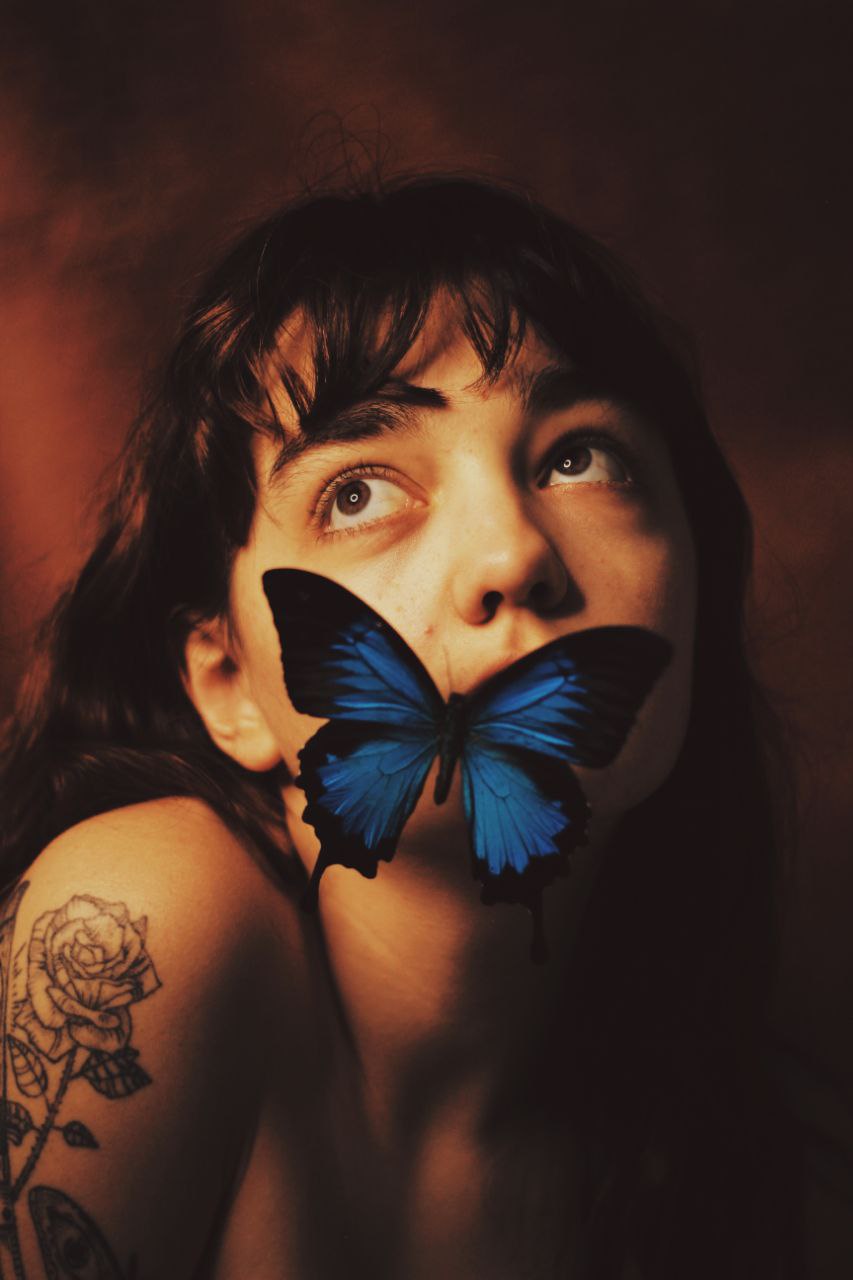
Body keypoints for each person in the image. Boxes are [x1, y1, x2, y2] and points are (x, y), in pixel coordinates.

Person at [0, 174, 804, 1279]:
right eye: (359, 491)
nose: (512, 550)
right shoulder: (146, 913)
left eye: (581, 457)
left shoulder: (781, 1191)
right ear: (229, 681)